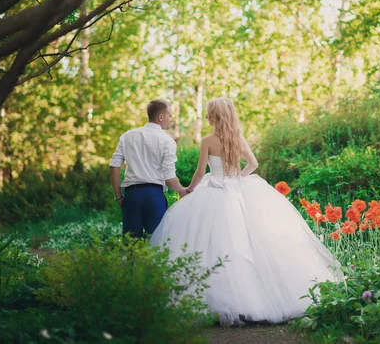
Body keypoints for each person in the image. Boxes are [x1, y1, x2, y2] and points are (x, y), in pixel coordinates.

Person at [150, 97, 342, 325]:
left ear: (217, 116)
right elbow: (253, 164)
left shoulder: (207, 141)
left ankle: (220, 301)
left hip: (215, 191)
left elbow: (201, 172)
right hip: (235, 190)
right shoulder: (237, 138)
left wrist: (189, 189)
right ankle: (255, 300)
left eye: (209, 113)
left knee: (216, 243)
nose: (207, 116)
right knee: (246, 242)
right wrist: (237, 178)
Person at [110, 99, 188, 238]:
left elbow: (114, 165)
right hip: (154, 197)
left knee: (131, 246)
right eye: (170, 116)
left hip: (132, 196)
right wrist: (183, 191)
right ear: (160, 117)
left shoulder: (128, 136)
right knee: (156, 244)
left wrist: (118, 196)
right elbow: (170, 179)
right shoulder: (167, 142)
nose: (171, 119)